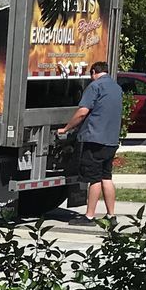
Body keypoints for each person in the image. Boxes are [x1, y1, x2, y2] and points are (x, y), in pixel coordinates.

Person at [57, 60, 121, 222]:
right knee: (106, 177)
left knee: (94, 179)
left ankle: (89, 216)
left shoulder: (95, 86)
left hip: (94, 139)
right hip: (111, 140)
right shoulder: (116, 87)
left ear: (93, 72)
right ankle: (111, 215)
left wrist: (66, 129)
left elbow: (82, 112)